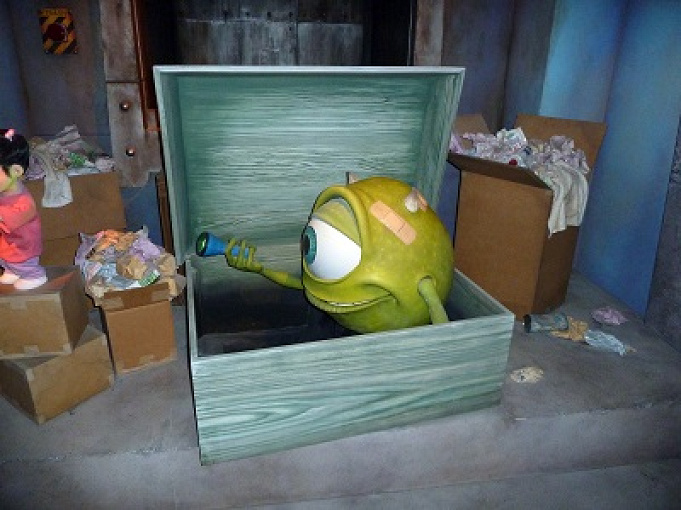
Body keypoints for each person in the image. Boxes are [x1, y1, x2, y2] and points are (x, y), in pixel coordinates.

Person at [0, 129, 47, 290]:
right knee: (5, 258)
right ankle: (12, 270)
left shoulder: (25, 202)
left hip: (23, 246)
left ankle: (34, 275)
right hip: (8, 243)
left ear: (16, 171)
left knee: (21, 262)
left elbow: (8, 218)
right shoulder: (4, 192)